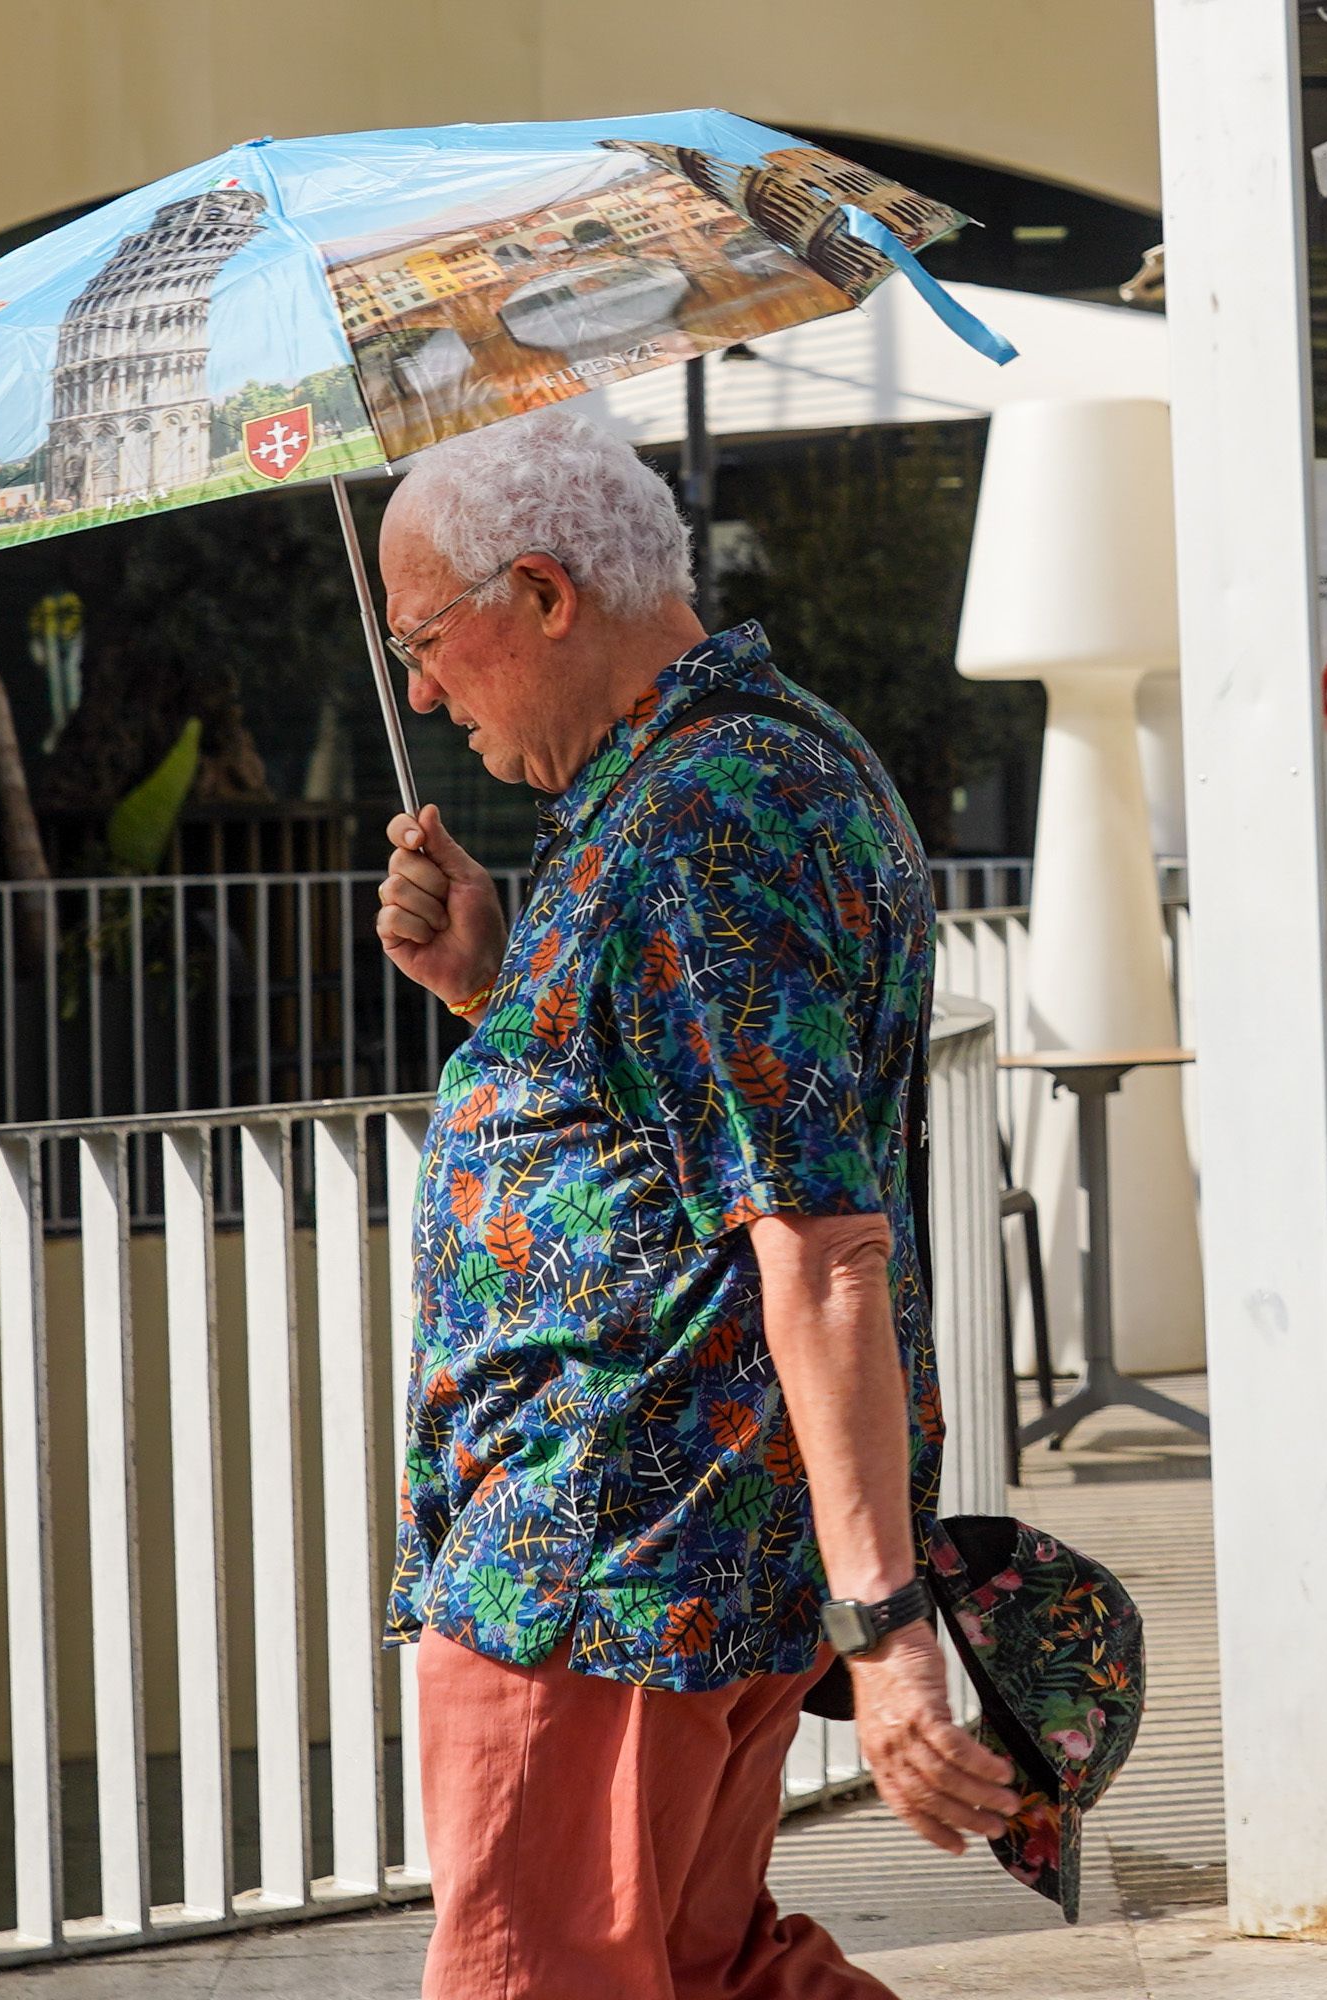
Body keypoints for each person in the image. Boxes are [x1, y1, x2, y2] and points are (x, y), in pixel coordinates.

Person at [371, 408, 1019, 2000]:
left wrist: (887, 1631)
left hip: (603, 1558)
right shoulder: (757, 762)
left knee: (555, 1976)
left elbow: (820, 1243)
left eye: (428, 639)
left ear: (543, 593)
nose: (420, 691)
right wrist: (492, 986)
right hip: (674, 1550)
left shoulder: (696, 823)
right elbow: (694, 1140)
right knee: (702, 1965)